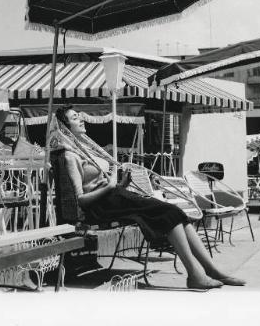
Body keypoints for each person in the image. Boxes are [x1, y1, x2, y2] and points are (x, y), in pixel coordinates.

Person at [49, 105, 246, 290]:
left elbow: (103, 184)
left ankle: (211, 270)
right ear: (65, 127)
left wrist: (120, 184)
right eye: (75, 118)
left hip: (113, 197)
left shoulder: (85, 148)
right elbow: (80, 199)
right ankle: (195, 275)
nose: (81, 119)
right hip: (100, 206)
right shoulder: (69, 156)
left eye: (80, 116)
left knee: (175, 212)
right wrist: (110, 186)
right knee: (168, 213)